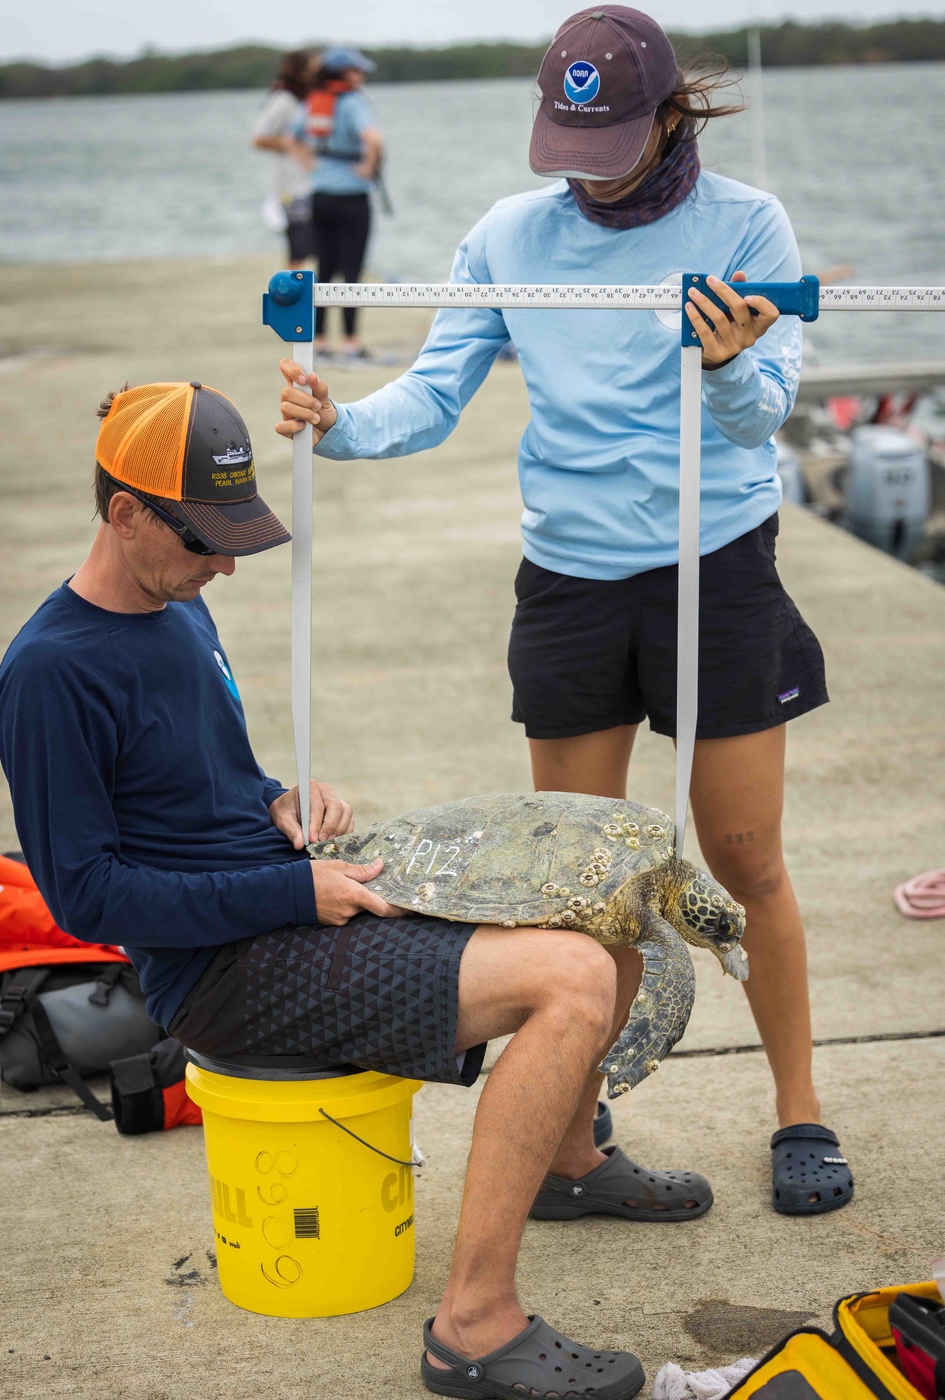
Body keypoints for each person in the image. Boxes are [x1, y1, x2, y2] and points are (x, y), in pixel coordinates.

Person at [0, 379, 711, 1400]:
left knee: (609, 905)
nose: (226, 561)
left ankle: (566, 1161)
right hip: (220, 971)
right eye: (204, 538)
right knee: (573, 980)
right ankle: (472, 1325)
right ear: (123, 512)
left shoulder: (174, 604)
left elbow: (197, 789)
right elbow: (88, 898)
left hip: (282, 893)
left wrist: (280, 801)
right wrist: (294, 893)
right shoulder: (51, 673)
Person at [277, 4, 854, 1219]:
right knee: (578, 881)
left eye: (608, 142)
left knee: (745, 859)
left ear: (665, 117)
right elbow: (433, 395)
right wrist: (340, 421)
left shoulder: (747, 223)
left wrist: (728, 360)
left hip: (715, 563)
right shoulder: (508, 234)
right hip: (572, 583)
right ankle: (573, 1136)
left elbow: (763, 417)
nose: (582, 175)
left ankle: (800, 1110)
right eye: (565, 141)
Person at [300, 46, 383, 359]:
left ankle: (320, 342)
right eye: (357, 70)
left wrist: (310, 164)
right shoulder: (353, 102)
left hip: (320, 196)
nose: (361, 76)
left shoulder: (315, 100)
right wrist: (368, 168)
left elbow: (294, 137)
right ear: (345, 73)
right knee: (352, 271)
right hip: (352, 198)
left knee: (323, 268)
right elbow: (374, 140)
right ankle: (350, 342)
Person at [252, 50, 318, 270]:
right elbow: (258, 138)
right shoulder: (284, 100)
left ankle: (310, 299)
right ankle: (291, 300)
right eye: (314, 67)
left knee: (311, 247)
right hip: (292, 187)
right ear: (301, 70)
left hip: (309, 184)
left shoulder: (304, 98)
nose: (320, 71)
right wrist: (292, 145)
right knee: (298, 249)